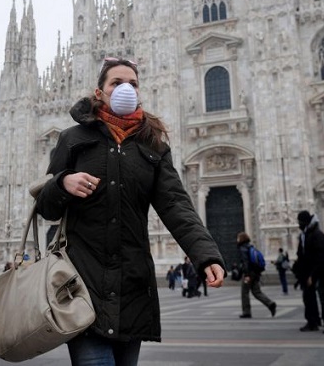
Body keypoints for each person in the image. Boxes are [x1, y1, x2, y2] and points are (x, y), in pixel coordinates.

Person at [35, 57, 225, 365]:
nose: (126, 89)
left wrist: (206, 254)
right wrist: (62, 182)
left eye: (133, 84)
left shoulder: (153, 143)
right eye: (117, 83)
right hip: (82, 284)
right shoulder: (73, 138)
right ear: (100, 92)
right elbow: (46, 207)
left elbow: (175, 204)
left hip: (132, 286)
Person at [295, 210, 324, 334]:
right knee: (308, 297)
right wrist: (298, 268)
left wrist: (313, 274)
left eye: (300, 221)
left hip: (318, 272)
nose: (299, 224)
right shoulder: (304, 235)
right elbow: (301, 255)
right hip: (307, 272)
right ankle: (313, 322)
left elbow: (322, 255)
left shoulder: (317, 235)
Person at [236, 232, 276, 319]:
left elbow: (246, 263)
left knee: (244, 292)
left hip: (249, 274)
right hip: (255, 273)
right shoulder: (251, 246)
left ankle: (246, 312)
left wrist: (246, 275)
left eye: (238, 238)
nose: (237, 239)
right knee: (257, 292)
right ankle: (270, 304)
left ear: (241, 239)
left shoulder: (243, 248)